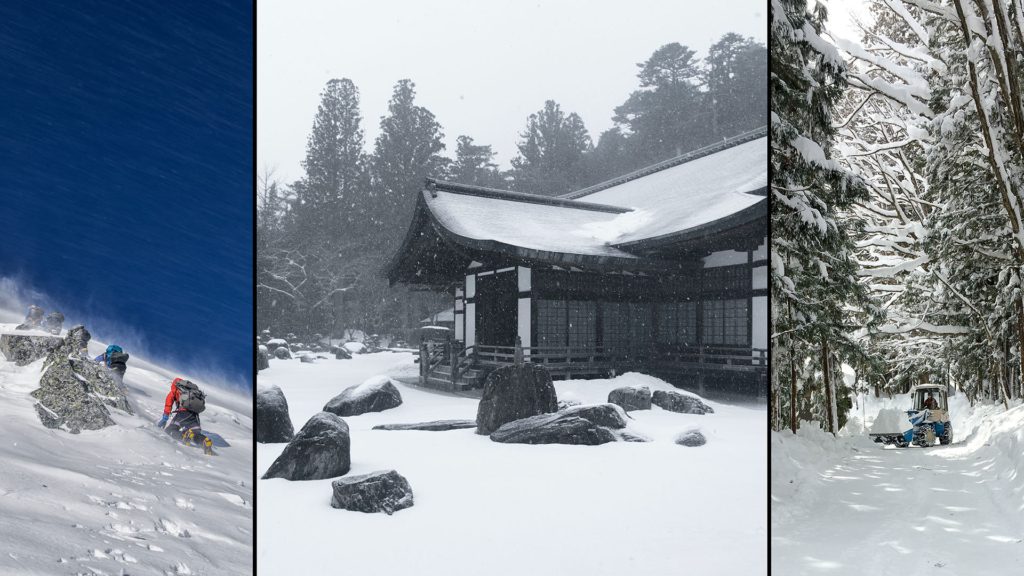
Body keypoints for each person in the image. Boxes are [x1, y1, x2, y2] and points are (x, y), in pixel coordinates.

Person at [158, 377, 213, 455]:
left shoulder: (175, 390)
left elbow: (168, 403)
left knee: (170, 430)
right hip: (195, 416)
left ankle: (183, 435)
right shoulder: (191, 391)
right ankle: (205, 441)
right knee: (195, 435)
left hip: (183, 413)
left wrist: (165, 418)